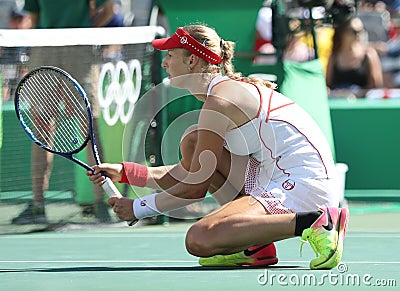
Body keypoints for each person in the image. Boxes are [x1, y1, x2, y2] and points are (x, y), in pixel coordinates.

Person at [88, 25, 349, 269]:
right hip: (280, 174)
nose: (165, 63)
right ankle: (255, 247)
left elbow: (194, 188)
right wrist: (125, 172)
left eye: (170, 55)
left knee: (199, 239)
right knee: (193, 140)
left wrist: (138, 208)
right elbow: (191, 172)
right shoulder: (223, 93)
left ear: (191, 60)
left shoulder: (220, 100)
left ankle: (317, 222)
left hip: (302, 182)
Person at [11, 0, 115, 225]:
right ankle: (38, 206)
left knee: (89, 127)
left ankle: (102, 204)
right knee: (41, 126)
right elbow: (35, 18)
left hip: (80, 50)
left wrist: (84, 32)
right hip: (45, 49)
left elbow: (108, 10)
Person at [326, 16, 384, 98]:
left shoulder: (368, 54)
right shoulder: (334, 57)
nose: (358, 35)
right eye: (354, 31)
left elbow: (376, 87)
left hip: (362, 105)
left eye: (361, 31)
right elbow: (328, 85)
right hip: (339, 103)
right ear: (343, 33)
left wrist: (356, 94)